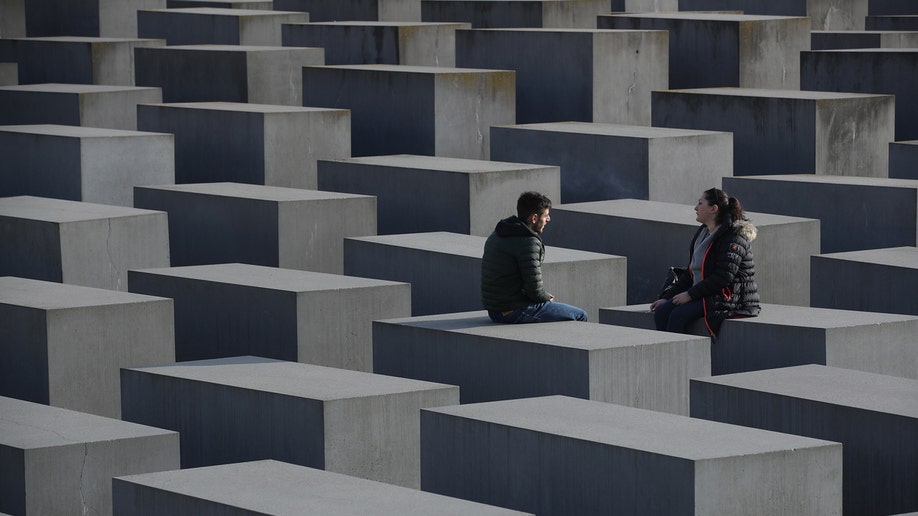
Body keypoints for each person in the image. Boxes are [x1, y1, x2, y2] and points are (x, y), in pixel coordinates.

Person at [650, 187, 760, 335]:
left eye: (700, 203)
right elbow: (691, 271)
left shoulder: (732, 237)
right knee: (662, 312)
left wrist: (689, 295)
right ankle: (666, 355)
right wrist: (667, 298)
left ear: (713, 208)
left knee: (678, 316)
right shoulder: (703, 233)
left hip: (729, 298)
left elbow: (723, 277)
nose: (695, 208)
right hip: (703, 293)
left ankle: (682, 357)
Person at [481, 191, 588, 324]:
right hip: (513, 311)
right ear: (534, 218)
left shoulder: (497, 234)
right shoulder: (528, 242)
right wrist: (546, 297)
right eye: (546, 216)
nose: (548, 219)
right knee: (581, 315)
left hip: (495, 310)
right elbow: (534, 290)